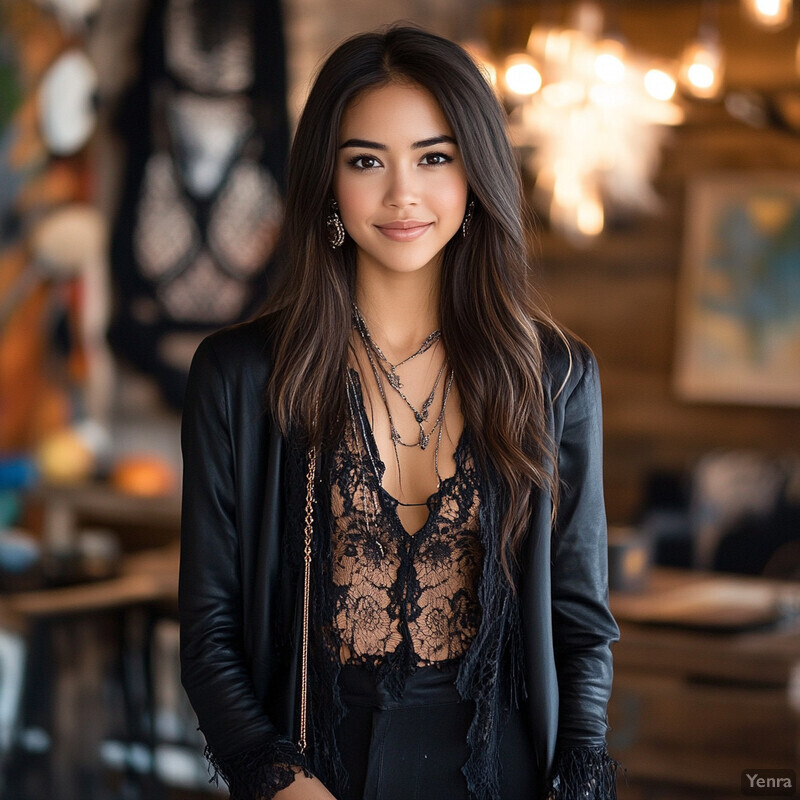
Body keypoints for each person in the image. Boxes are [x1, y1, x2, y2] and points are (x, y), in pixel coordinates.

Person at [179, 24, 620, 800]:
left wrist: (576, 780)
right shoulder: (242, 376)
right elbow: (211, 632)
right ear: (328, 181)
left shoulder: (552, 378)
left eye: (433, 157)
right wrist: (279, 779)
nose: (402, 194)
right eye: (365, 161)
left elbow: (582, 627)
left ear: (475, 171)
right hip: (320, 771)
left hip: (504, 772)